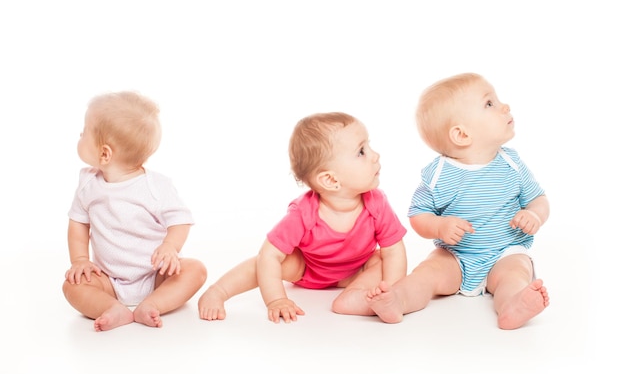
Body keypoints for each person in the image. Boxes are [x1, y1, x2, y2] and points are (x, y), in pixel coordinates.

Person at [366, 73, 550, 330]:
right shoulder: (439, 174)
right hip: (455, 255)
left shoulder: (511, 164)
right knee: (428, 272)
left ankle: (512, 305)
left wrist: (535, 215)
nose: (504, 106)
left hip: (504, 252)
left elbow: (538, 200)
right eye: (489, 103)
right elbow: (418, 215)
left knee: (515, 273)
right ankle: (398, 299)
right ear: (461, 135)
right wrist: (439, 227)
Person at [198, 112, 407, 323]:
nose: (375, 155)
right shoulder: (303, 213)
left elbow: (394, 250)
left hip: (356, 271)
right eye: (361, 151)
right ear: (330, 180)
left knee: (384, 259)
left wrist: (393, 291)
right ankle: (218, 291)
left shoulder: (377, 203)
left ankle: (362, 296)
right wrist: (276, 300)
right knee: (264, 263)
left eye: (369, 146)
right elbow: (269, 255)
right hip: (307, 270)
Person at [62, 91, 207, 332]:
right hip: (107, 278)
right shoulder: (88, 183)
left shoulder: (155, 186)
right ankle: (111, 307)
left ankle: (152, 303)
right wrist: (79, 261)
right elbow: (78, 223)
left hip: (155, 275)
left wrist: (170, 247)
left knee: (196, 270)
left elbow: (180, 221)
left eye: (84, 131)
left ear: (105, 153)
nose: (80, 135)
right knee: (71, 285)